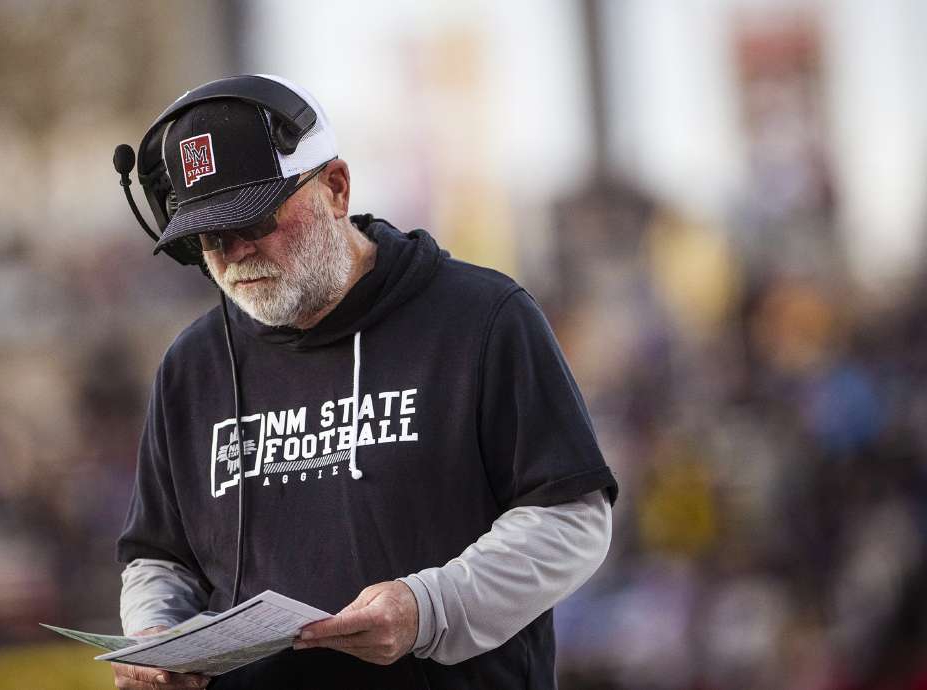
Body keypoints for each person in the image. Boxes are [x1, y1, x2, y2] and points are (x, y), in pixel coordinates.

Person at [113, 74, 618, 690]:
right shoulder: (190, 367)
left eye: (255, 220)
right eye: (209, 237)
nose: (236, 252)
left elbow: (571, 519)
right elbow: (161, 557)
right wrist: (153, 636)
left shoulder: (483, 318)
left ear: (335, 187)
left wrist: (427, 609)